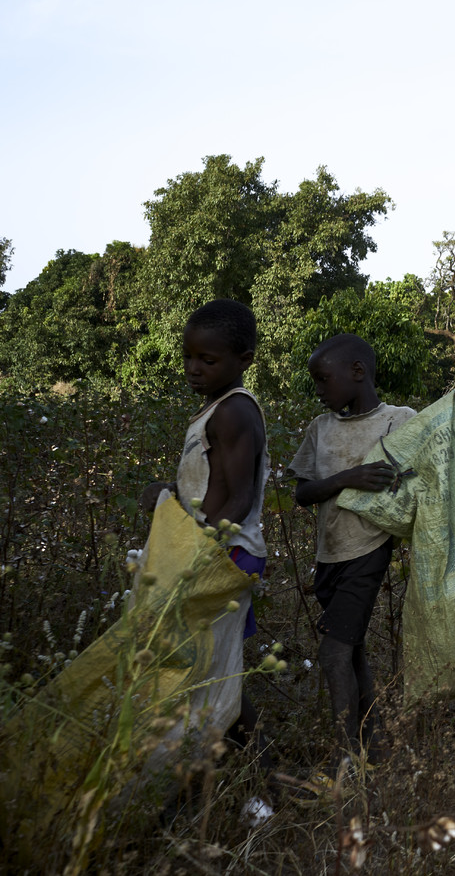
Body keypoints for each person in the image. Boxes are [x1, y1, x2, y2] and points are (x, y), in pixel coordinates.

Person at [139, 298, 270, 749]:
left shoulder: (233, 411)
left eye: (207, 360)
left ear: (243, 361)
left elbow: (239, 495)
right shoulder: (216, 410)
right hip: (215, 548)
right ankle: (254, 763)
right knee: (214, 666)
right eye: (188, 357)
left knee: (206, 665)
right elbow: (211, 486)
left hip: (225, 552)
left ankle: (260, 767)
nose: (194, 368)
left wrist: (199, 555)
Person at [287, 334, 417, 763]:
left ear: (357, 372)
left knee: (333, 650)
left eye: (323, 380)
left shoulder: (397, 420)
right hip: (329, 555)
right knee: (353, 647)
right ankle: (373, 745)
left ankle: (347, 758)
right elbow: (303, 493)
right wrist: (347, 478)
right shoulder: (320, 429)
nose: (319, 390)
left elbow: (440, 434)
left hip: (368, 550)